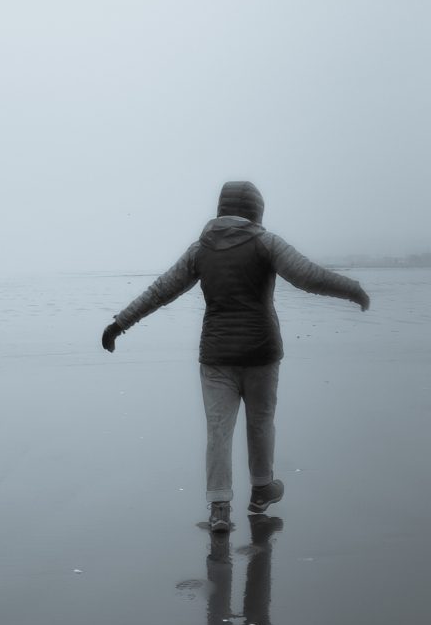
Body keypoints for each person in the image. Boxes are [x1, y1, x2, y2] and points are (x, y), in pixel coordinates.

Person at [101, 181, 370, 531]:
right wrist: (352, 289)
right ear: (256, 210)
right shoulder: (265, 242)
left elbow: (160, 291)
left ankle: (219, 509)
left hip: (216, 356)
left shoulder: (201, 250)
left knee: (218, 431)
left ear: (220, 210)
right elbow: (307, 277)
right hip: (262, 352)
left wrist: (119, 324)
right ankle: (261, 489)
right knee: (260, 423)